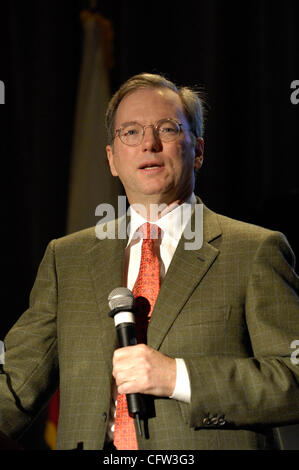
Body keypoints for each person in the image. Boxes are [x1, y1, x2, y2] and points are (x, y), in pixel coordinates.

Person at [0, 73, 299, 450]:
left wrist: (176, 376)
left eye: (168, 129)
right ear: (112, 159)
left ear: (199, 150)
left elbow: (293, 378)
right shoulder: (68, 259)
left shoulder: (255, 250)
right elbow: (14, 384)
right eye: (131, 132)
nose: (149, 144)